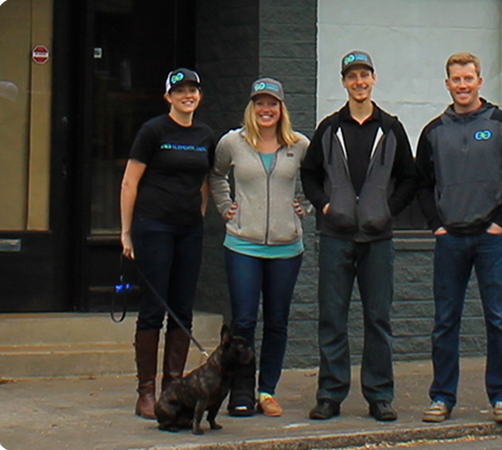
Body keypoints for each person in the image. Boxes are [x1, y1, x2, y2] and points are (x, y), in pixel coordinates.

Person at [301, 50, 417, 422]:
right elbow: (309, 174)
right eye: (352, 77)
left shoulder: (392, 127)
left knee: (378, 320)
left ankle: (380, 395)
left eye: (364, 75)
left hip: (378, 238)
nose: (359, 82)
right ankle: (330, 395)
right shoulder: (330, 128)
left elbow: (411, 177)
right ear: (344, 83)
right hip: (335, 236)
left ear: (373, 79)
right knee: (332, 318)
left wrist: (388, 210)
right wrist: (324, 206)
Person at [415, 52, 502, 424]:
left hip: (491, 238)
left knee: (499, 319)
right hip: (451, 239)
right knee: (446, 320)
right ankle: (442, 397)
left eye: (469, 78)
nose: (462, 85)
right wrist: (437, 224)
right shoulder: (433, 131)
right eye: (456, 79)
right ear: (447, 84)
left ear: (480, 81)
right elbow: (423, 184)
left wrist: (500, 221)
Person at [209, 77, 310, 418]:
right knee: (244, 320)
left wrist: (305, 205)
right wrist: (226, 207)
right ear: (251, 108)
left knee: (277, 322)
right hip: (243, 245)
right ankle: (241, 391)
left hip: (286, 248)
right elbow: (216, 175)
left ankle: (267, 391)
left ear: (281, 108)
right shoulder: (232, 142)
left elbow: (319, 180)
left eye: (273, 103)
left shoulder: (299, 144)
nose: (266, 109)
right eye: (260, 103)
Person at [120, 68, 215, 419]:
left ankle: (172, 387)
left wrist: (199, 211)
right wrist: (127, 231)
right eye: (180, 91)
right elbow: (130, 182)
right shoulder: (154, 130)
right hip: (153, 226)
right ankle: (145, 391)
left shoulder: (206, 135)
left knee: (182, 308)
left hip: (189, 229)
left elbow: (205, 178)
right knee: (153, 308)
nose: (187, 96)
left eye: (193, 90)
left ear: (199, 96)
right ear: (169, 97)